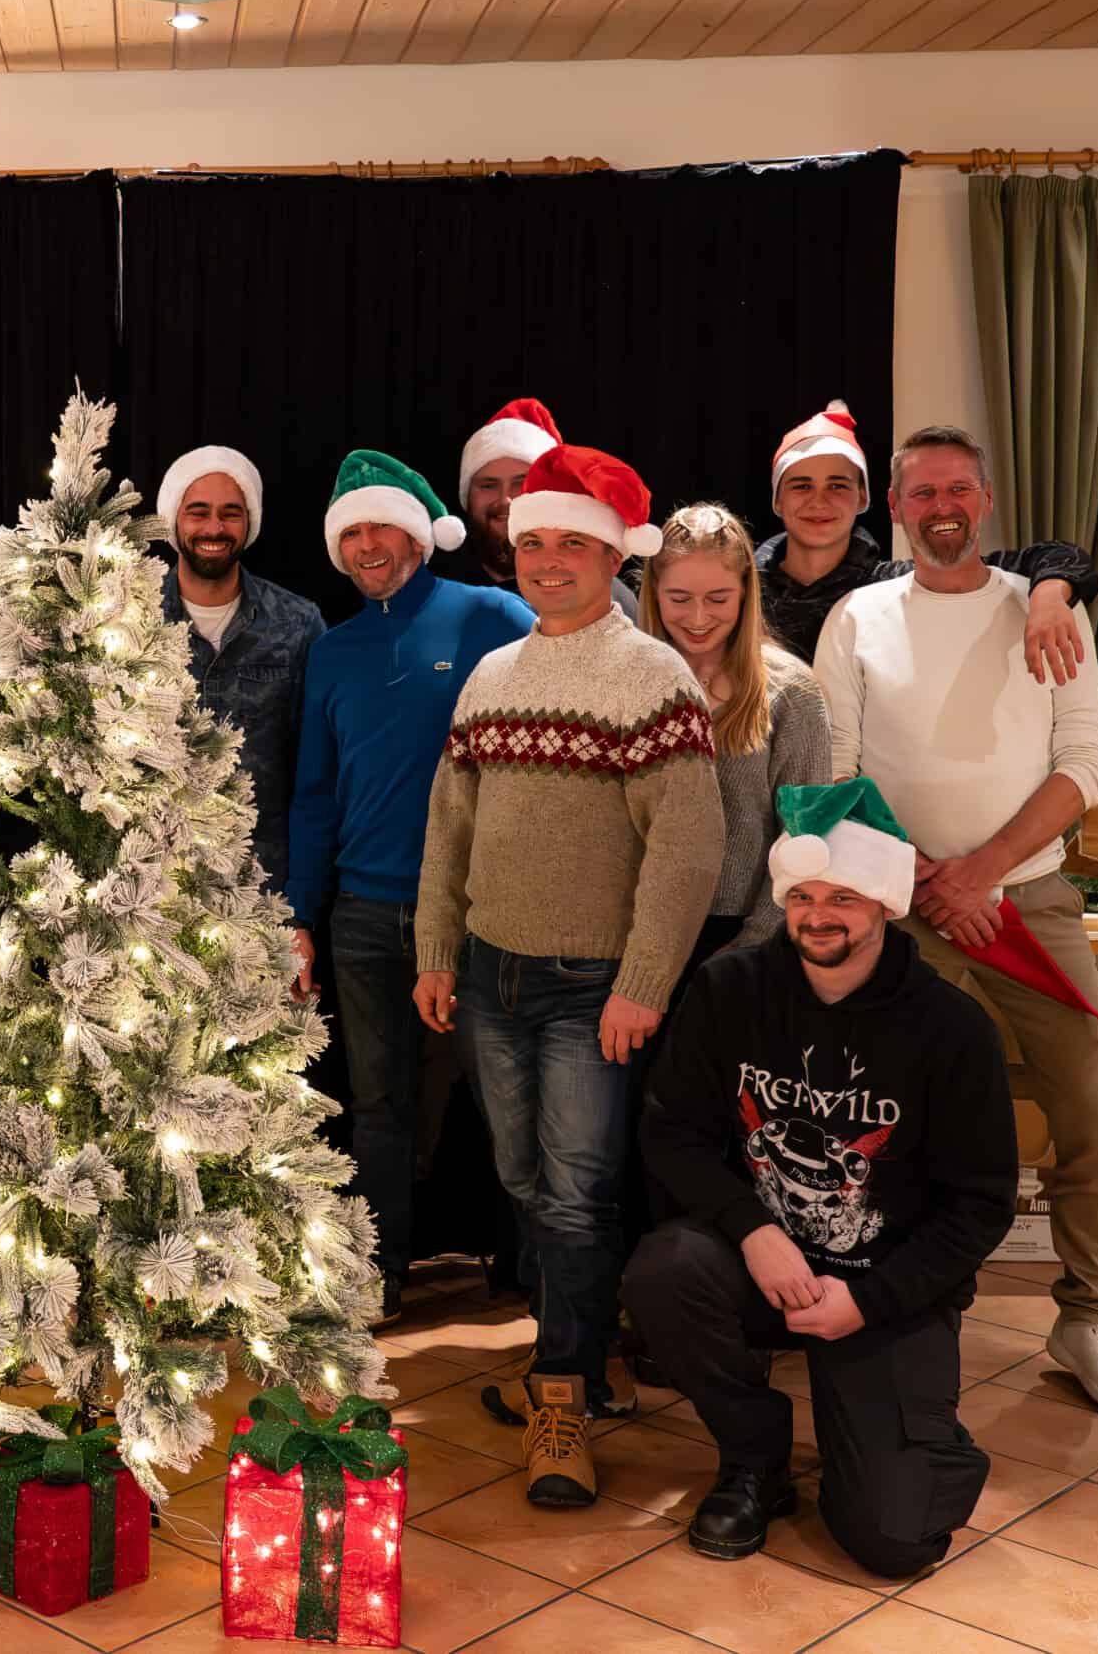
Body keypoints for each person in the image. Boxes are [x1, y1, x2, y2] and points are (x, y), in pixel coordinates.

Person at [813, 423, 1098, 1422]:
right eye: (919, 493)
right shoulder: (858, 617)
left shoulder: (1045, 613)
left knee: (1094, 1110)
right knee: (877, 1122)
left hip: (1028, 901)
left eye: (956, 488)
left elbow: (1083, 762)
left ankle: (1088, 1317)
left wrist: (984, 871)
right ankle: (884, 1309)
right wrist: (927, 878)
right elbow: (832, 774)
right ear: (897, 512)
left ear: (988, 502)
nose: (939, 507)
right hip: (897, 904)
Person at [411, 443, 723, 1508]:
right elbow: (448, 826)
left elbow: (687, 849)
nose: (545, 560)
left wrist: (643, 982)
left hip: (593, 986)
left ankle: (565, 1393)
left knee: (580, 1197)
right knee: (523, 1186)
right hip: (491, 975)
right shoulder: (496, 677)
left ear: (612, 556)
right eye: (532, 539)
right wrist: (436, 950)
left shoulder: (651, 678)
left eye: (570, 544)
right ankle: (579, 1355)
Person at [630, 779, 1012, 1574]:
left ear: (886, 903)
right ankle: (754, 1456)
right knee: (663, 1272)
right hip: (762, 1268)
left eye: (844, 894)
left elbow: (979, 1206)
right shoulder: (729, 989)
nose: (817, 914)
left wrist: (868, 1301)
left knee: (891, 1540)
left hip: (885, 1289)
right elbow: (671, 1134)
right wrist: (754, 1230)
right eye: (801, 893)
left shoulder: (953, 1028)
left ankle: (906, 1438)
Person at [285, 449, 533, 1323]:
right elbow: (315, 795)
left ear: (421, 534)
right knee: (378, 1102)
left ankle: (530, 1270)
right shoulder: (333, 650)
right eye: (348, 532)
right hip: (361, 912)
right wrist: (299, 916)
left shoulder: (493, 616)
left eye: (379, 525)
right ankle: (380, 1271)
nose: (365, 544)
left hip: (476, 911)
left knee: (502, 1092)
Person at [756, 400, 1098, 671]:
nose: (820, 501)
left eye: (838, 485)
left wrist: (1050, 596)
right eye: (802, 486)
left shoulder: (889, 585)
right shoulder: (743, 588)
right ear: (777, 498)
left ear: (863, 497)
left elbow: (1061, 557)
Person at [637, 505, 831, 965]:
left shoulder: (792, 692)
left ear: (746, 593)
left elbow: (807, 834)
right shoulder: (628, 683)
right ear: (653, 592)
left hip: (741, 934)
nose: (699, 616)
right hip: (633, 933)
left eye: (719, 598)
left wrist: (755, 942)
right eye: (679, 598)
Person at [153, 446, 325, 890]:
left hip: (264, 886)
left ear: (249, 524)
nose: (214, 527)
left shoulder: (297, 623)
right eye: (198, 512)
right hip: (150, 890)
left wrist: (302, 906)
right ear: (174, 520)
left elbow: (319, 771)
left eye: (231, 513)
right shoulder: (130, 615)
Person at [446, 398, 639, 618]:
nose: (505, 499)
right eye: (488, 485)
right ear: (467, 498)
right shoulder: (437, 586)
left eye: (521, 482)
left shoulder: (604, 597)